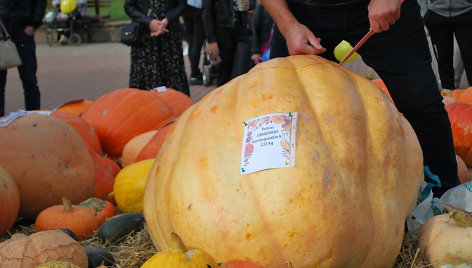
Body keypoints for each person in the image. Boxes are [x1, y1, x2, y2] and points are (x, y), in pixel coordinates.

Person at [261, 0, 461, 197]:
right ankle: (280, 199)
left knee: (422, 104)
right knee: (281, 113)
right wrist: (288, 26)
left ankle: (444, 202)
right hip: (300, 13)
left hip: (383, 7)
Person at [124, 0, 189, 95]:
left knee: (173, 74)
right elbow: (129, 7)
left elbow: (182, 5)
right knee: (145, 74)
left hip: (169, 34)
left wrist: (167, 20)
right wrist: (148, 21)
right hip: (144, 36)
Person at [0, 0, 46, 117]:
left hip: (23, 35)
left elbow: (40, 3)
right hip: (2, 34)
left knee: (29, 80)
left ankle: (33, 116)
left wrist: (33, 25)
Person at [202, 0, 255, 86]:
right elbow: (206, 11)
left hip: (243, 30)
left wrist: (250, 4)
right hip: (222, 32)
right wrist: (211, 40)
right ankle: (223, 97)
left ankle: (238, 97)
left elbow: (252, 2)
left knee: (241, 72)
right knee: (225, 74)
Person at [423, 0, 472, 90]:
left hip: (466, 12)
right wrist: (424, 12)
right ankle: (449, 98)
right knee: (443, 63)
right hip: (436, 14)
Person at [183, 0, 206, 85]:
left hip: (187, 7)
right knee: (196, 42)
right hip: (198, 8)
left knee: (192, 42)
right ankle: (194, 74)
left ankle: (194, 72)